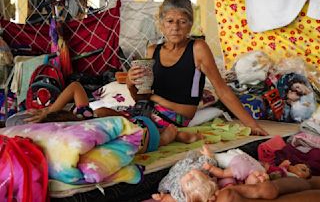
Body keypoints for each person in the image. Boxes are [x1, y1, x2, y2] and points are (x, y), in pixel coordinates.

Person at [126, 0, 268, 137]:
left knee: (132, 135)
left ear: (190, 24)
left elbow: (222, 89)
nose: (175, 27)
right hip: (147, 111)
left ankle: (166, 136)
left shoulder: (197, 48)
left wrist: (252, 125)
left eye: (182, 21)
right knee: (104, 114)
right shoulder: (152, 51)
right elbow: (141, 99)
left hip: (176, 117)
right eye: (170, 21)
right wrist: (130, 84)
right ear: (161, 23)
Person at [23, 81, 203, 151]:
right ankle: (171, 135)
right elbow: (76, 86)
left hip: (142, 128)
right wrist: (51, 111)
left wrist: (49, 111)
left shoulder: (87, 124)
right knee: (105, 115)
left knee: (155, 138)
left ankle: (167, 138)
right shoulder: (83, 115)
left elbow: (76, 86)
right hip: (136, 121)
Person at [153, 145, 270, 202]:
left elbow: (173, 198)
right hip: (183, 170)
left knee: (166, 186)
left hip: (179, 172)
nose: (189, 175)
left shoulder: (181, 192)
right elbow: (212, 163)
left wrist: (163, 197)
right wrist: (208, 155)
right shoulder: (204, 175)